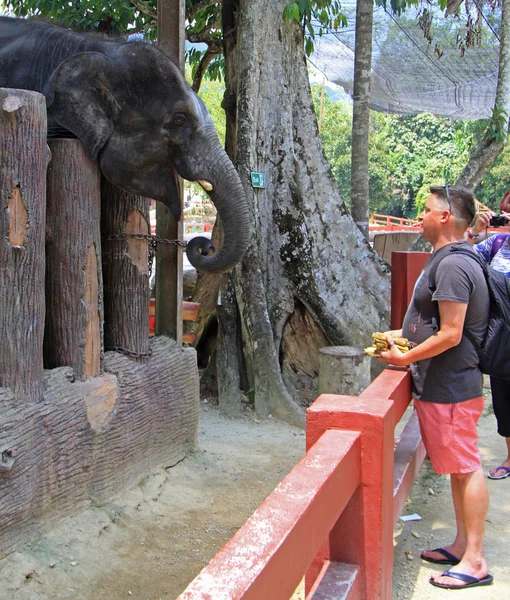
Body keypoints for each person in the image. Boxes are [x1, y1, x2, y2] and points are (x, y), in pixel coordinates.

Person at [379, 185, 493, 590]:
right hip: (443, 386)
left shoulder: (452, 266)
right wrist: (401, 337)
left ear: (445, 217)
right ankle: (462, 544)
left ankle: (475, 560)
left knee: (466, 468)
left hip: (452, 387)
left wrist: (405, 358)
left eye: (426, 210)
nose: (420, 216)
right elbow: (431, 325)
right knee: (458, 471)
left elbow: (450, 333)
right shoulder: (444, 259)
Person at [465, 191, 510, 480]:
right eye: (507, 212)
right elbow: (463, 256)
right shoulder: (497, 244)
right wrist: (473, 231)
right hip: (504, 337)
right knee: (505, 399)